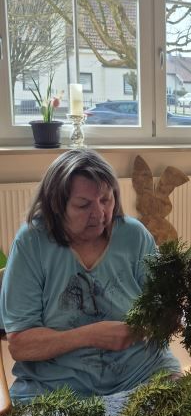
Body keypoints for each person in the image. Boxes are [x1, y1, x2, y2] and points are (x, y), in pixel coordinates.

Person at [0, 149, 180, 401]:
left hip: (140, 371)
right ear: (56, 206)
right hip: (54, 385)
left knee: (183, 412)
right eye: (83, 205)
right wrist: (91, 335)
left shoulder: (134, 235)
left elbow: (160, 305)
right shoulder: (32, 243)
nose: (99, 214)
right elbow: (20, 344)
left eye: (106, 200)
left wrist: (172, 311)